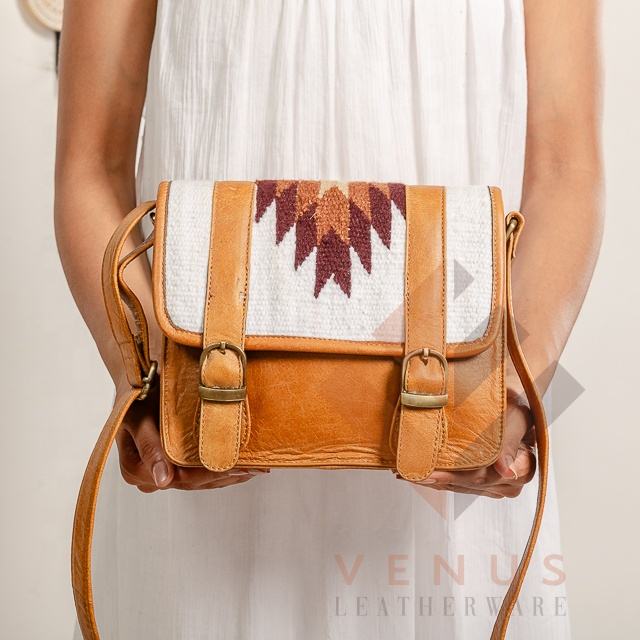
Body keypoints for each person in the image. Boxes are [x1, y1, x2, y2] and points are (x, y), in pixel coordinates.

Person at [55, 1, 603, 638]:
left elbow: (569, 170)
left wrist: (511, 387)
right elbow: (90, 166)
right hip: (196, 429)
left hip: (460, 433)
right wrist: (146, 372)